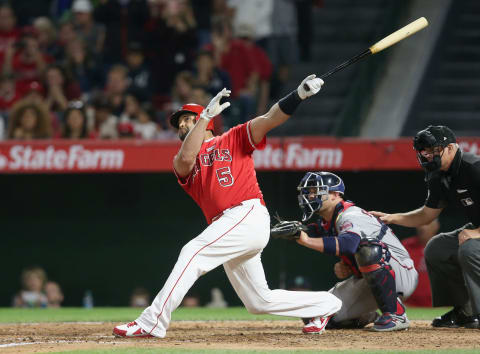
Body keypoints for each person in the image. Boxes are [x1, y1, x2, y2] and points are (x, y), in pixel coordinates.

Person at [113, 74, 342, 338]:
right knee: (259, 302)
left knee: (192, 252)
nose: (184, 124)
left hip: (246, 214)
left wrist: (299, 95)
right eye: (181, 123)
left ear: (209, 123)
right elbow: (187, 158)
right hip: (228, 225)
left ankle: (152, 321)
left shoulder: (232, 138)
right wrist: (203, 117)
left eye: (189, 118)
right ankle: (327, 305)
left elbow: (269, 119)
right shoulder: (181, 160)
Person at [371, 125, 480, 329]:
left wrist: (476, 232)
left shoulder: (473, 166)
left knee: (470, 247)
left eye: (433, 150)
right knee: (437, 247)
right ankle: (465, 311)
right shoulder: (438, 175)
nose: (428, 156)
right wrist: (393, 217)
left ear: (450, 148)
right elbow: (427, 215)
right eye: (424, 152)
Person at [293, 171, 418, 331]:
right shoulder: (327, 222)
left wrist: (306, 240)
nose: (310, 197)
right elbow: (312, 232)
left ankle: (396, 314)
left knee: (369, 251)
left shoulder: (350, 214)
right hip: (371, 280)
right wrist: (293, 231)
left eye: (315, 191)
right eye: (308, 192)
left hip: (401, 272)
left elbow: (349, 244)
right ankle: (367, 315)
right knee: (314, 314)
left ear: (335, 194)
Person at [401, 219, 439, 307]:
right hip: (408, 304)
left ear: (436, 227)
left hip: (438, 305)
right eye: (421, 225)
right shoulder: (405, 246)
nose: (423, 228)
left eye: (427, 225)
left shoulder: (443, 246)